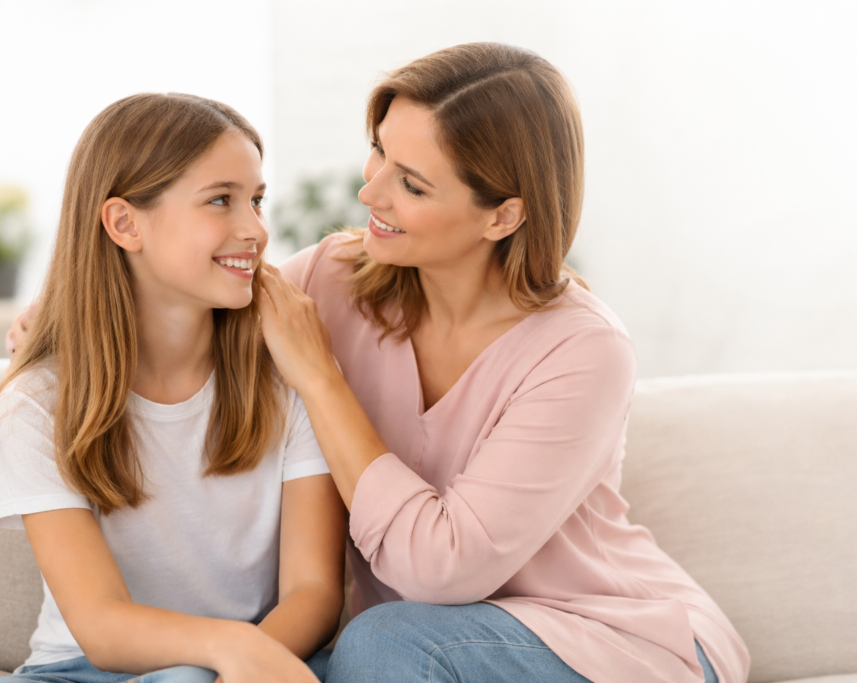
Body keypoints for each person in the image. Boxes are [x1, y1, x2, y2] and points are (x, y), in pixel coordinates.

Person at [255, 43, 750, 683]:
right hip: (425, 649)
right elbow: (192, 329)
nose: (368, 190)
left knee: (384, 644)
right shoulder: (330, 279)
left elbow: (442, 569)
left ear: (503, 215)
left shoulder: (582, 350)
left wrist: (322, 381)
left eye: (411, 183)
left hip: (614, 642)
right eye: (379, 150)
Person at [0, 94, 346, 683]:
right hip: (82, 670)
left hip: (261, 656)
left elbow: (313, 589)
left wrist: (243, 659)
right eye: (221, 200)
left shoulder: (287, 374)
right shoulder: (37, 405)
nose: (256, 229)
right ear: (124, 223)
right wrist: (227, 652)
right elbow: (103, 626)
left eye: (257, 201)